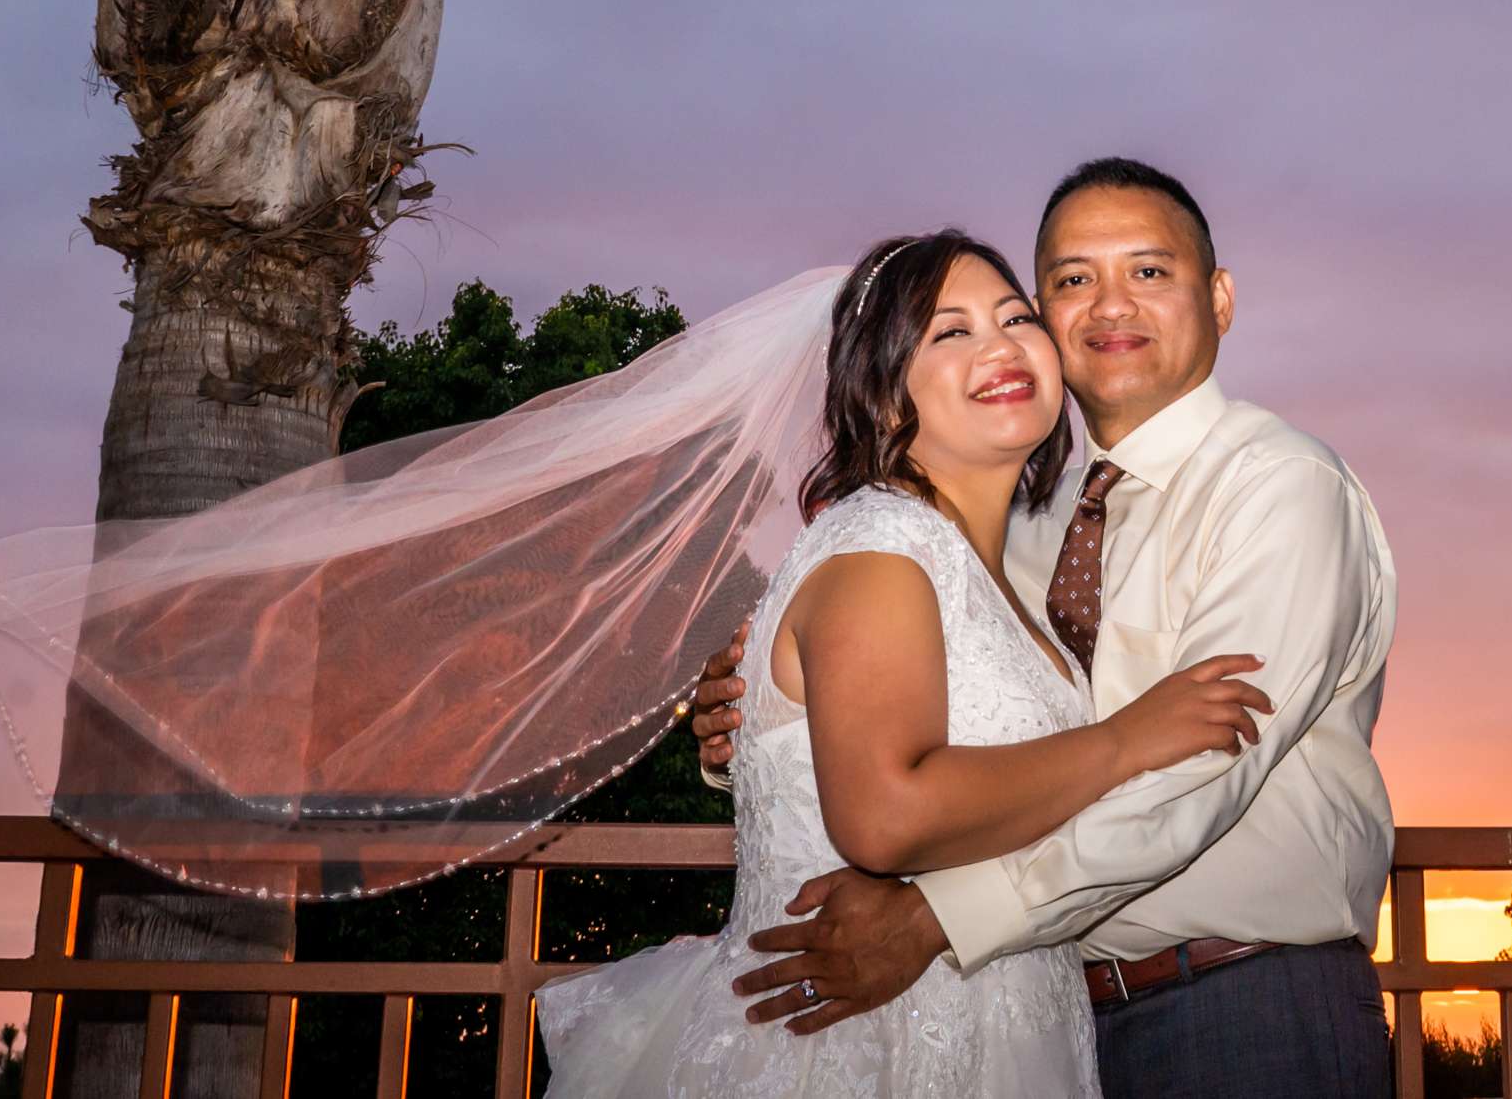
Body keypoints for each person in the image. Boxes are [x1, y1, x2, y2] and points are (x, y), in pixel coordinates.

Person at [693, 158, 1401, 1099]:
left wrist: (938, 918)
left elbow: (1200, 773)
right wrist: (758, 723)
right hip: (1045, 1012)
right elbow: (945, 722)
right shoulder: (1017, 522)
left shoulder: (1281, 490)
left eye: (1149, 272)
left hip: (1241, 1003)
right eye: (1071, 281)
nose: (1111, 305)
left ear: (1220, 298)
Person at [535, 228, 1275, 1097]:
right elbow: (882, 816)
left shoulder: (992, 564)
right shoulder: (881, 548)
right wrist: (1123, 742)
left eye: (1012, 317)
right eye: (949, 331)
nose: (999, 345)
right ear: (885, 395)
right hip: (867, 1037)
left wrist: (741, 740)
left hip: (1001, 1021)